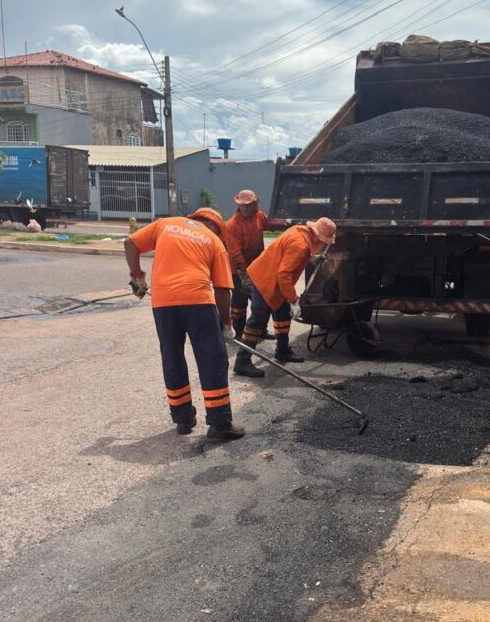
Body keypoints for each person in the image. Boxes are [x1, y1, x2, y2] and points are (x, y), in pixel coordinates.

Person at [124, 207, 244, 442]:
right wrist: (227, 324)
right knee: (212, 358)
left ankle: (183, 419)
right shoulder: (214, 242)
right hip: (198, 301)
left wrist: (137, 277)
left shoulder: (165, 224)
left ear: (194, 218)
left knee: (172, 357)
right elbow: (222, 289)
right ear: (217, 228)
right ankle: (220, 423)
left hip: (163, 303)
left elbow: (130, 243)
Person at [234, 217, 337, 378]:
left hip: (272, 275)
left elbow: (291, 255)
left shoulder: (300, 231)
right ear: (318, 236)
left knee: (282, 314)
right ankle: (242, 361)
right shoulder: (300, 244)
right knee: (258, 318)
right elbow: (284, 274)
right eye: (324, 241)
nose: (324, 244)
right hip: (264, 279)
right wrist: (293, 300)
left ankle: (282, 350)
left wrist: (312, 259)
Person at [224, 189, 269, 341]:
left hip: (258, 266)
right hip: (239, 270)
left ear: (254, 204)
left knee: (261, 301)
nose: (245, 208)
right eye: (242, 205)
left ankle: (261, 330)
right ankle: (238, 333)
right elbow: (236, 255)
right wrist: (245, 275)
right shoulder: (232, 225)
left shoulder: (259, 216)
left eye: (248, 205)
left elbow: (270, 225)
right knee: (239, 302)